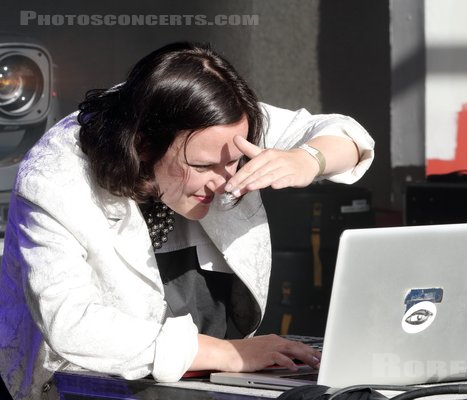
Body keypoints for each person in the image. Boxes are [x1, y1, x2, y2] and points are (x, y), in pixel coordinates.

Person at [0, 42, 374, 400]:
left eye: (234, 162)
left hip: (203, 375)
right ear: (143, 146)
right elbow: (73, 324)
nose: (226, 180)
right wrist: (229, 355)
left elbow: (349, 136)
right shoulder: (54, 178)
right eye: (202, 166)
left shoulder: (217, 124)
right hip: (85, 385)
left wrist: (307, 160)